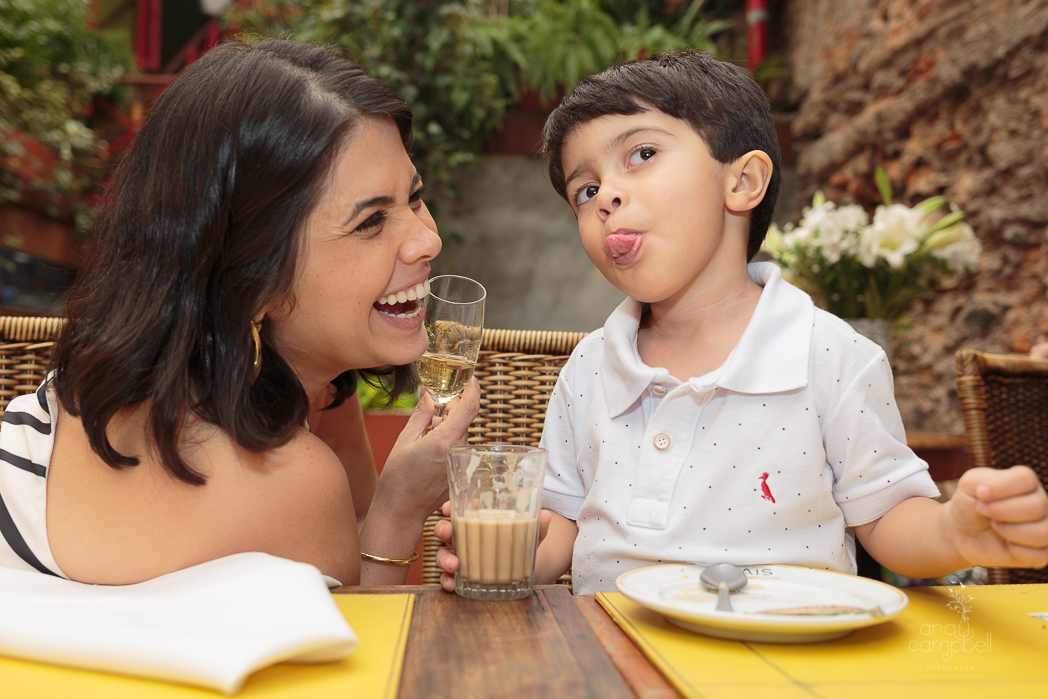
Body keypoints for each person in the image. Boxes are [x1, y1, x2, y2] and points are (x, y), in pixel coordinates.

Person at [435, 50, 1047, 595]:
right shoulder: (590, 368)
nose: (605, 198)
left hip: (787, 660)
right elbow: (562, 527)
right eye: (585, 189)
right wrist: (509, 555)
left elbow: (887, 518)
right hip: (612, 657)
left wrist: (955, 530)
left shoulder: (832, 356)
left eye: (641, 154)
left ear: (743, 181)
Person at [0, 39, 478, 586]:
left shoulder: (82, 397)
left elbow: (348, 542)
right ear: (255, 278)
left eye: (414, 197)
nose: (427, 240)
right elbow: (364, 646)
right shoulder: (288, 481)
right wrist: (400, 510)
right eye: (370, 222)